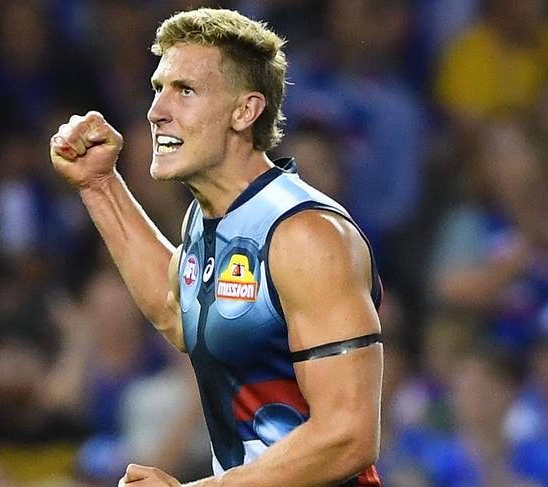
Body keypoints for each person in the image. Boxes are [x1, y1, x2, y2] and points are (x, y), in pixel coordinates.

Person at [49, 8, 383, 486]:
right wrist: (99, 185)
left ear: (245, 111)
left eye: (184, 91)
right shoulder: (211, 217)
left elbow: (347, 435)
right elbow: (178, 312)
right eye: (158, 88)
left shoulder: (307, 234)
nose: (156, 110)